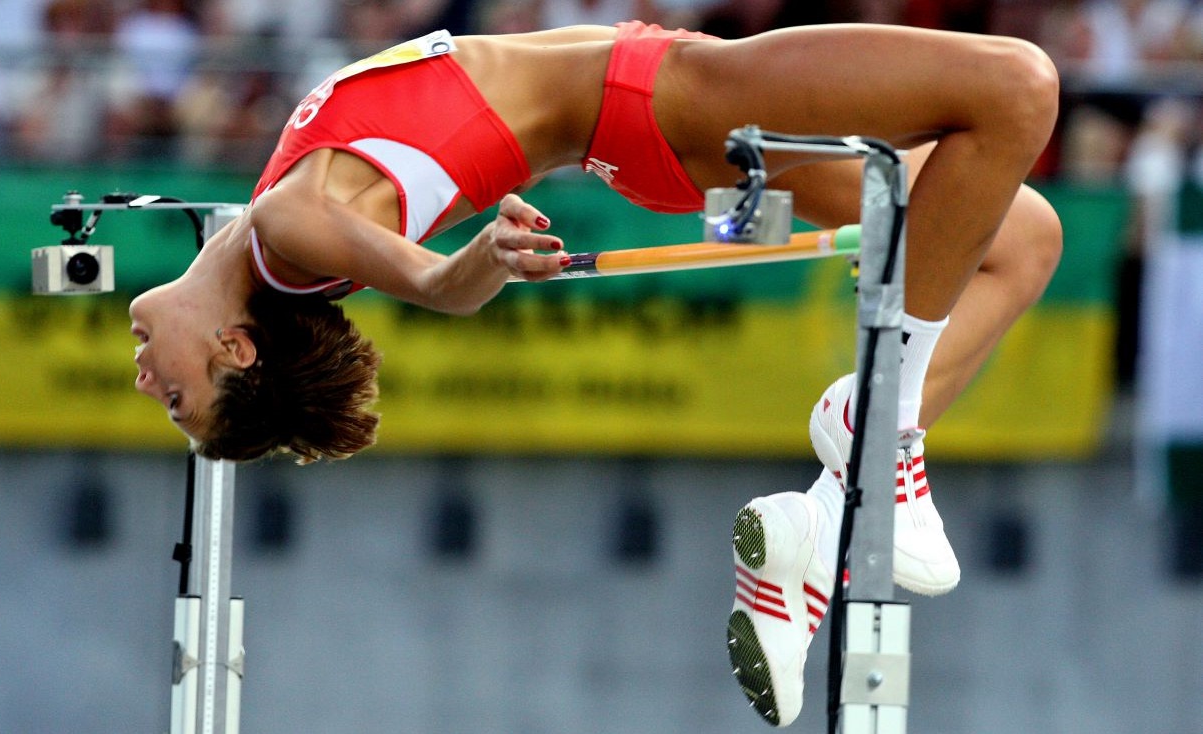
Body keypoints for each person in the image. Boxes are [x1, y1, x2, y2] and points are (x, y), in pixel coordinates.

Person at [128, 21, 1061, 726]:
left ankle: (822, 523)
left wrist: (476, 262)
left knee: (1021, 240)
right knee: (1018, 86)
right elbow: (435, 286)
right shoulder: (285, 236)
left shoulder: (280, 243)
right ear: (234, 349)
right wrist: (482, 258)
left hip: (647, 128)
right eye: (177, 397)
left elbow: (432, 276)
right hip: (659, 97)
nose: (144, 382)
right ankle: (874, 433)